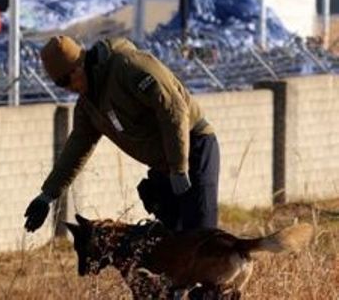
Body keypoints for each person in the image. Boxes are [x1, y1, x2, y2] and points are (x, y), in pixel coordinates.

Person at [24, 36, 220, 233]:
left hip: (194, 146)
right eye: (60, 84)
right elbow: (76, 149)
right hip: (165, 164)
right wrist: (47, 196)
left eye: (67, 79)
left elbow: (173, 109)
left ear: (80, 64)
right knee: (170, 240)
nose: (68, 88)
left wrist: (178, 167)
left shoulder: (128, 66)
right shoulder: (89, 105)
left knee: (200, 235)